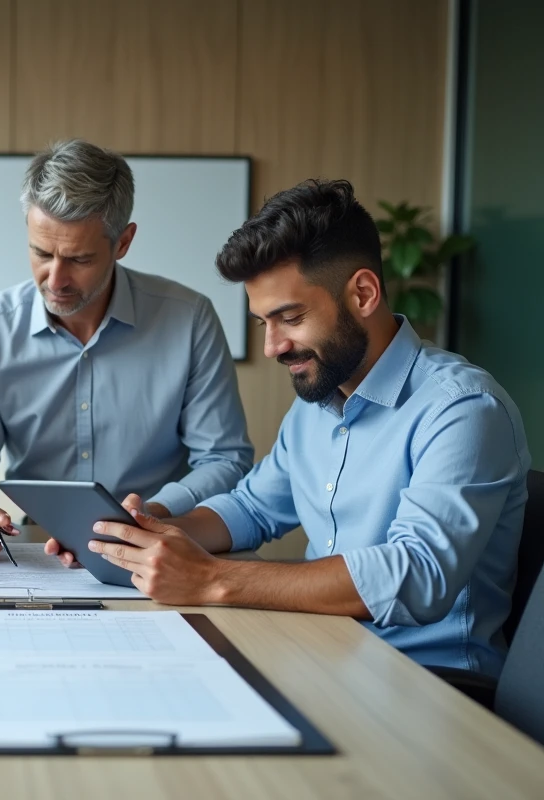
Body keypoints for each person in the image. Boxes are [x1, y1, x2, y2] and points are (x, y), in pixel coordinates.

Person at [55, 179, 531, 676]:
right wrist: (136, 535)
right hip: (326, 654)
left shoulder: (461, 408)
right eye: (264, 322)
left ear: (363, 293)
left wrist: (213, 580)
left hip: (430, 683)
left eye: (291, 317)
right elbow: (251, 508)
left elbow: (417, 575)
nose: (273, 347)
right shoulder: (318, 402)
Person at [0, 139, 253, 557]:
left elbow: (225, 460)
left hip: (161, 545)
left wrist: (149, 514)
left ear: (123, 243)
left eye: (79, 259)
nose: (56, 279)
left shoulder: (189, 320)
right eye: (41, 253)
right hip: (40, 550)